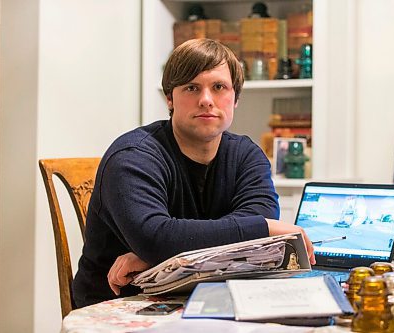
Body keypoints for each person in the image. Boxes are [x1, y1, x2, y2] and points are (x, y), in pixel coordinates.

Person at [72, 38, 315, 308]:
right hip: (123, 306)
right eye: (191, 87)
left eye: (219, 87)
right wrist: (263, 228)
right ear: (169, 98)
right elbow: (156, 237)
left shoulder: (247, 155)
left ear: (235, 98)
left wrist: (168, 260)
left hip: (211, 300)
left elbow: (248, 245)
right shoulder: (132, 157)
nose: (206, 100)